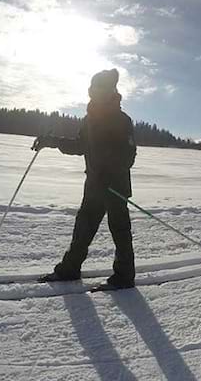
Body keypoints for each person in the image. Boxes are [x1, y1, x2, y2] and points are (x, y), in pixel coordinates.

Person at [33, 68, 138, 289]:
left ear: (108, 91)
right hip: (93, 186)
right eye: (91, 89)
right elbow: (80, 146)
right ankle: (70, 270)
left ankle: (124, 277)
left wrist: (108, 175)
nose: (92, 93)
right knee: (83, 228)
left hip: (114, 187)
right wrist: (50, 141)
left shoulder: (121, 120)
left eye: (97, 89)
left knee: (119, 231)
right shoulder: (89, 119)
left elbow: (127, 156)